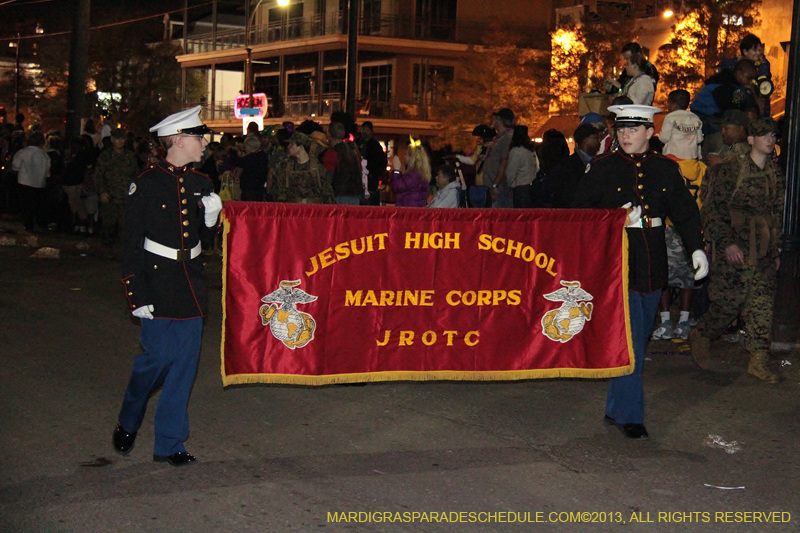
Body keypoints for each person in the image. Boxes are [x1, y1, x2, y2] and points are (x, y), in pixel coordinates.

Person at [573, 105, 708, 439]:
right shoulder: (603, 168)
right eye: (621, 130)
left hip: (654, 259)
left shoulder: (665, 169)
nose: (625, 135)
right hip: (618, 262)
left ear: (650, 132)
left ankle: (616, 405)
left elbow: (686, 213)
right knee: (631, 339)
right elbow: (577, 214)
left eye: (633, 130)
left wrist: (696, 248)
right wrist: (613, 219)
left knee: (639, 337)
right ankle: (630, 415)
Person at [113, 106, 222, 466]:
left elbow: (202, 241)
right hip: (156, 283)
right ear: (177, 140)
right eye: (197, 136)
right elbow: (130, 244)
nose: (204, 142)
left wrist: (211, 221)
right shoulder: (144, 184)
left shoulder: (200, 182)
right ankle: (131, 414)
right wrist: (136, 294)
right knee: (157, 359)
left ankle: (170, 444)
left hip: (189, 282)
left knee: (183, 368)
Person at [690, 118, 784, 383]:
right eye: (763, 135)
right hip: (734, 247)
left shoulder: (775, 174)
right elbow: (712, 209)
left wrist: (775, 250)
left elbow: (775, 213)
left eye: (773, 135)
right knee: (728, 305)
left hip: (762, 248)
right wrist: (726, 242)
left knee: (762, 305)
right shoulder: (730, 171)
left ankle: (758, 360)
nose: (770, 139)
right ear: (751, 140)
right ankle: (702, 334)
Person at [94, 128, 140, 248]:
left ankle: (122, 252)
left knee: (124, 227)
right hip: (110, 197)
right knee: (108, 225)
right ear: (112, 139)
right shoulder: (105, 156)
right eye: (118, 139)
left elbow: (136, 176)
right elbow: (99, 175)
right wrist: (102, 192)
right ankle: (107, 249)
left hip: (125, 197)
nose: (121, 141)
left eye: (123, 139)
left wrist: (135, 194)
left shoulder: (130, 156)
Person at [273, 131, 334, 204]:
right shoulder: (284, 167)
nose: (288, 146)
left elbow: (327, 193)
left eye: (292, 144)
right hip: (293, 211)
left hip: (313, 211)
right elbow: (279, 192)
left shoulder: (317, 168)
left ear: (301, 147)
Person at [719, 33, 772, 116]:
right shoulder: (734, 64)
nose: (758, 53)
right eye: (755, 50)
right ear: (745, 51)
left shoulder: (763, 65)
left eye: (759, 50)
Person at [550, 123, 599, 208]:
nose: (599, 142)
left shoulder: (592, 162)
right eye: (595, 138)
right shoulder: (569, 167)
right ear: (586, 141)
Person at [12, 131, 51, 232]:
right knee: (38, 205)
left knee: (26, 206)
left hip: (24, 182)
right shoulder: (44, 155)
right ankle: (41, 224)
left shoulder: (22, 152)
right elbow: (47, 172)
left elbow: (15, 166)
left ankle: (29, 225)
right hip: (39, 184)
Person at [323, 121, 364, 205]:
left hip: (339, 193)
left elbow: (328, 177)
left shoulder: (331, 153)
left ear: (329, 135)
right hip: (356, 193)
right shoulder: (354, 151)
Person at [484, 108, 514, 208]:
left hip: (500, 186)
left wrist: (495, 185)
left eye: (495, 119)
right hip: (495, 183)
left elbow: (504, 162)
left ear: (500, 120)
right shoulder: (500, 138)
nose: (493, 122)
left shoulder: (507, 138)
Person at [504, 125, 538, 208]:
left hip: (520, 188)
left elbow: (510, 172)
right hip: (531, 187)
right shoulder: (531, 150)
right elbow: (537, 167)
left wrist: (508, 185)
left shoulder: (515, 151)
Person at [389, 138, 430, 207]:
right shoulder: (419, 172)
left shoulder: (414, 174)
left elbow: (397, 187)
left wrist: (396, 171)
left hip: (409, 211)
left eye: (406, 154)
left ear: (412, 157)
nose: (404, 156)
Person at [230, 135, 269, 201]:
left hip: (251, 189)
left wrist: (234, 152)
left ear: (249, 146)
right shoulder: (262, 155)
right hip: (257, 188)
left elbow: (238, 162)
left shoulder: (253, 157)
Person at [358, 121, 387, 206]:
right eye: (363, 129)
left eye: (367, 130)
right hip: (358, 178)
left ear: (371, 132)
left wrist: (374, 173)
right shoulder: (357, 143)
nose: (364, 132)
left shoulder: (375, 146)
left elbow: (382, 162)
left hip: (370, 179)